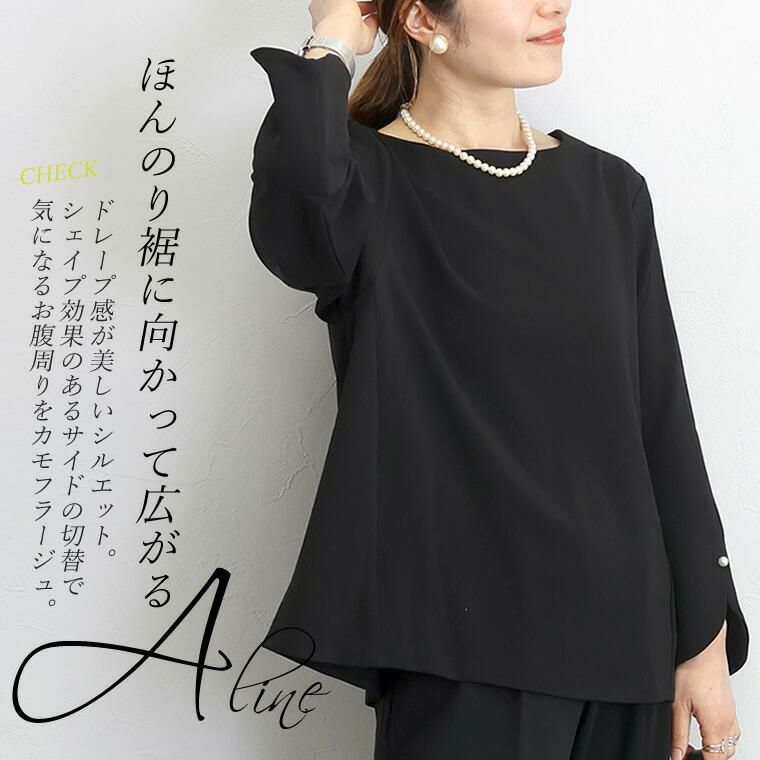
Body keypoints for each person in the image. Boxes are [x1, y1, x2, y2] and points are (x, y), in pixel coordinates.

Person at [247, 0, 751, 757]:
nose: (555, 4)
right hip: (462, 652)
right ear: (423, 21)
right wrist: (336, 38)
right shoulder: (364, 185)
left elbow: (661, 419)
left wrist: (702, 635)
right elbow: (297, 209)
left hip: (632, 644)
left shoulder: (609, 190)